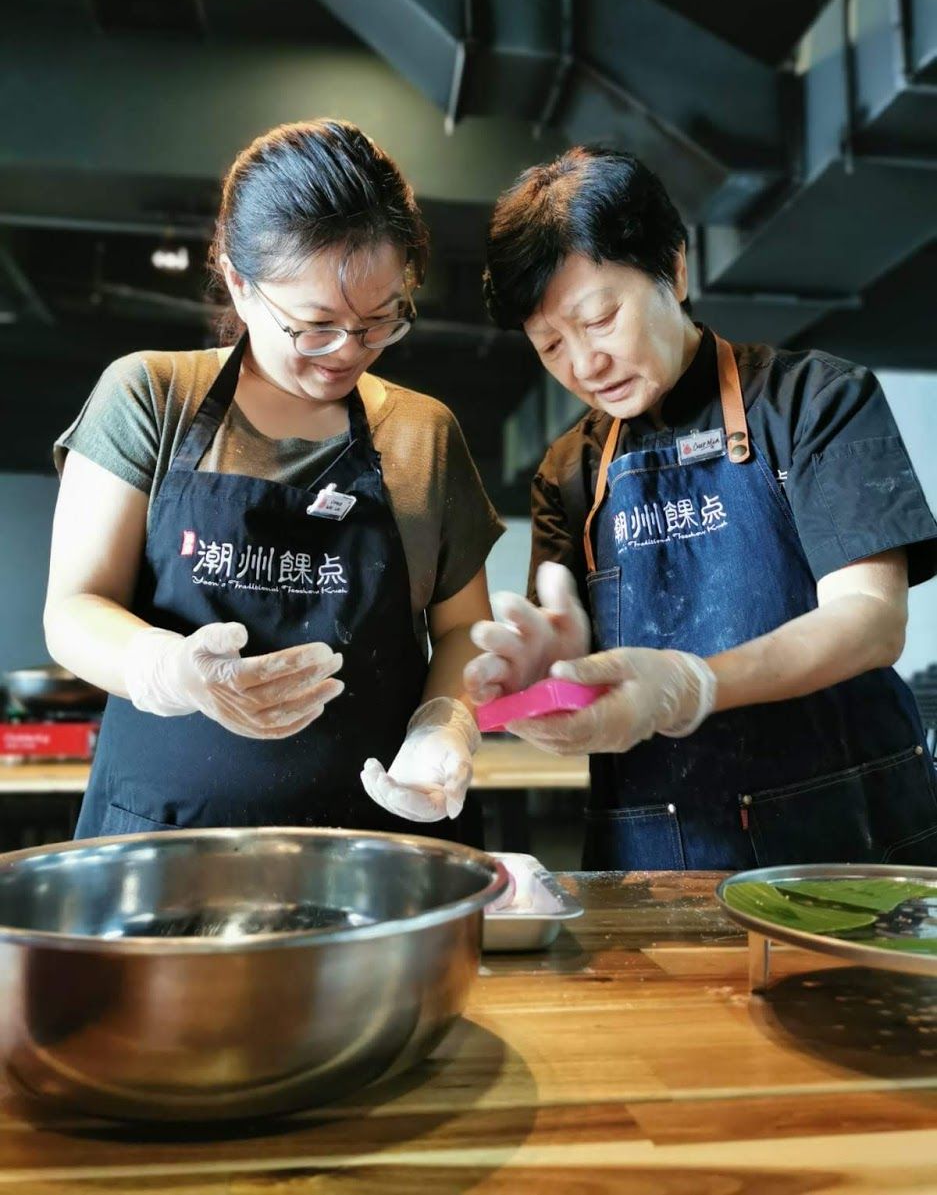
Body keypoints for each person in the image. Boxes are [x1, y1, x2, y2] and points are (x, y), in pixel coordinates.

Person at [465, 144, 937, 871]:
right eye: (549, 343)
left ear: (674, 268)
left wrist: (694, 685)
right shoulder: (569, 469)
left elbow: (870, 621)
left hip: (849, 844)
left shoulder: (816, 401)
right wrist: (550, 670)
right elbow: (569, 635)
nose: (583, 364)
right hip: (655, 857)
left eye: (600, 318)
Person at [45, 118, 502, 840]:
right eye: (314, 324)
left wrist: (443, 722)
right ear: (238, 279)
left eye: (379, 320)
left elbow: (462, 630)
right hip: (162, 847)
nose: (347, 352)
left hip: (379, 852)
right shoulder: (149, 396)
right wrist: (168, 668)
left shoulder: (422, 435)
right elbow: (74, 610)